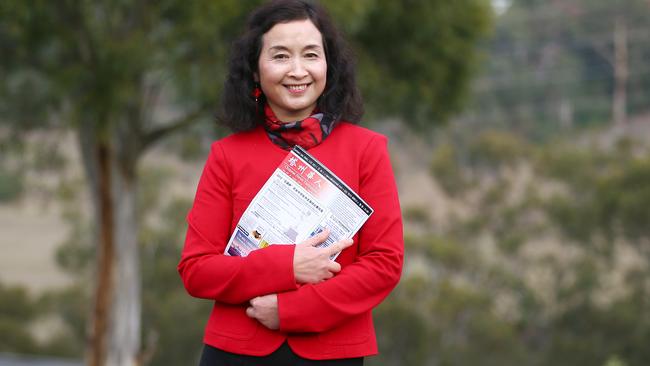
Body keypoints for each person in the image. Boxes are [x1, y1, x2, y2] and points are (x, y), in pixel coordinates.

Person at [177, 0, 403, 364]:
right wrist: (287, 267)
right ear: (254, 70)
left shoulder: (367, 151)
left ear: (329, 65)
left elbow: (384, 263)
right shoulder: (227, 155)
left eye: (311, 55)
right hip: (235, 351)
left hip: (333, 351)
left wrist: (292, 309)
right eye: (280, 56)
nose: (298, 70)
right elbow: (197, 270)